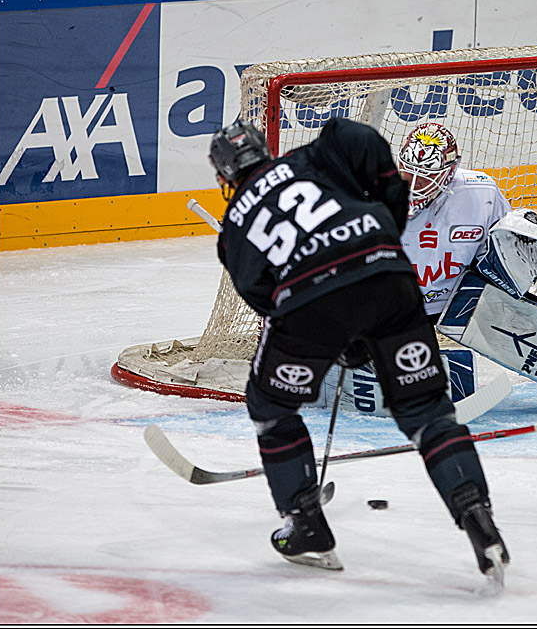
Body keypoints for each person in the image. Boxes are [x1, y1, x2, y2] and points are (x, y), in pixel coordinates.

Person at [207, 117, 509, 581]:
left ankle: (306, 527)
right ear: (264, 150)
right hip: (390, 277)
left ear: (225, 175)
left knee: (270, 406)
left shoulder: (233, 232)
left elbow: (267, 302)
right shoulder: (309, 158)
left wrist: (335, 335)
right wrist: (390, 217)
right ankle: (476, 514)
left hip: (311, 304)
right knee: (428, 412)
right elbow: (353, 134)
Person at [396, 122, 513, 323]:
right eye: (408, 172)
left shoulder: (482, 192)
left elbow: (507, 248)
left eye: (426, 176)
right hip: (395, 307)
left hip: (460, 305)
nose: (414, 184)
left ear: (449, 172)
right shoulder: (373, 192)